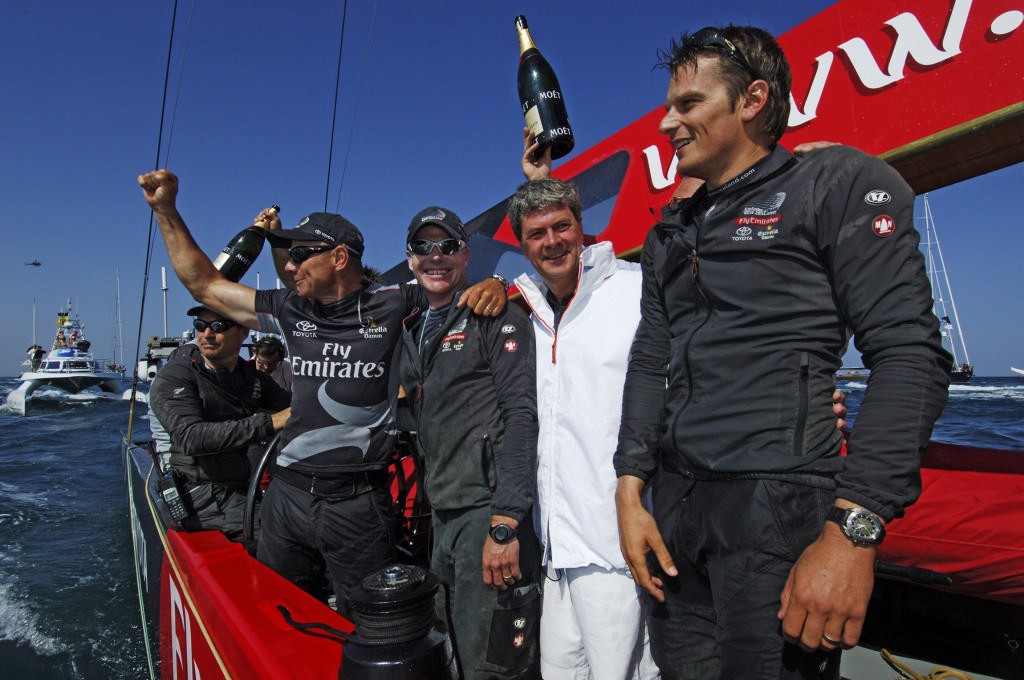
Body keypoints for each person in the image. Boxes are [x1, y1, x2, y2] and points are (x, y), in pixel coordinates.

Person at [613, 25, 951, 678]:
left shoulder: (834, 183)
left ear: (751, 100)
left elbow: (910, 356)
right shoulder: (672, 232)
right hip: (676, 512)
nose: (665, 123)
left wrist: (853, 534)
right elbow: (651, 361)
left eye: (687, 104)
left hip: (776, 511)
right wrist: (630, 493)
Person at [137, 170, 507, 615]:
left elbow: (453, 291)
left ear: (338, 258)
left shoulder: (394, 303)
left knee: (369, 626)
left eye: (300, 255)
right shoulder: (291, 309)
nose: (289, 266)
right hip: (285, 499)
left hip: (358, 503)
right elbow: (204, 285)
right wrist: (165, 210)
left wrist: (497, 284)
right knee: (276, 615)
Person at [397, 206, 540, 679]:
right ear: (410, 257)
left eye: (447, 246)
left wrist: (505, 522)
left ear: (466, 254)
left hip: (487, 516)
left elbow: (522, 416)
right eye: (423, 247)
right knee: (454, 652)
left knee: (493, 666)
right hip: (443, 517)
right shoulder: (415, 328)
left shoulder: (495, 316)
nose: (435, 257)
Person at [148, 304, 291, 546]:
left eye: (218, 326)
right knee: (285, 542)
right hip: (202, 494)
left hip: (242, 486)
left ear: (244, 332)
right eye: (200, 326)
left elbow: (294, 407)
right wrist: (270, 421)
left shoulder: (250, 377)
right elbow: (191, 438)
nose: (207, 334)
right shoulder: (176, 376)